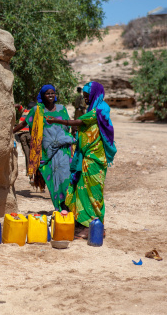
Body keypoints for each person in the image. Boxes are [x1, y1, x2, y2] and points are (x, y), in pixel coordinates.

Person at [46, 81, 117, 239]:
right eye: (84, 97)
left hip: (95, 159)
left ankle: (95, 225)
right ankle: (86, 225)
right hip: (87, 157)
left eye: (87, 97)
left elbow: (79, 122)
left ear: (94, 95)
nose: (85, 99)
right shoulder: (93, 108)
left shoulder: (100, 109)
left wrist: (56, 120)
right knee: (82, 191)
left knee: (93, 194)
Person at [13, 85, 73, 211]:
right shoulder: (37, 110)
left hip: (63, 150)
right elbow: (24, 123)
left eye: (53, 93)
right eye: (47, 93)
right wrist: (9, 132)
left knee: (66, 178)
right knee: (53, 181)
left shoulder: (62, 109)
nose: (51, 95)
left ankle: (67, 206)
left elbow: (68, 127)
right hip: (46, 153)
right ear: (42, 96)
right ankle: (59, 206)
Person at [14, 102, 36, 180]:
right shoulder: (35, 113)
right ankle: (32, 174)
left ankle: (29, 174)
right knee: (33, 154)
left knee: (27, 154)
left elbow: (18, 106)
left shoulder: (24, 111)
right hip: (30, 134)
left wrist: (11, 106)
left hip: (21, 134)